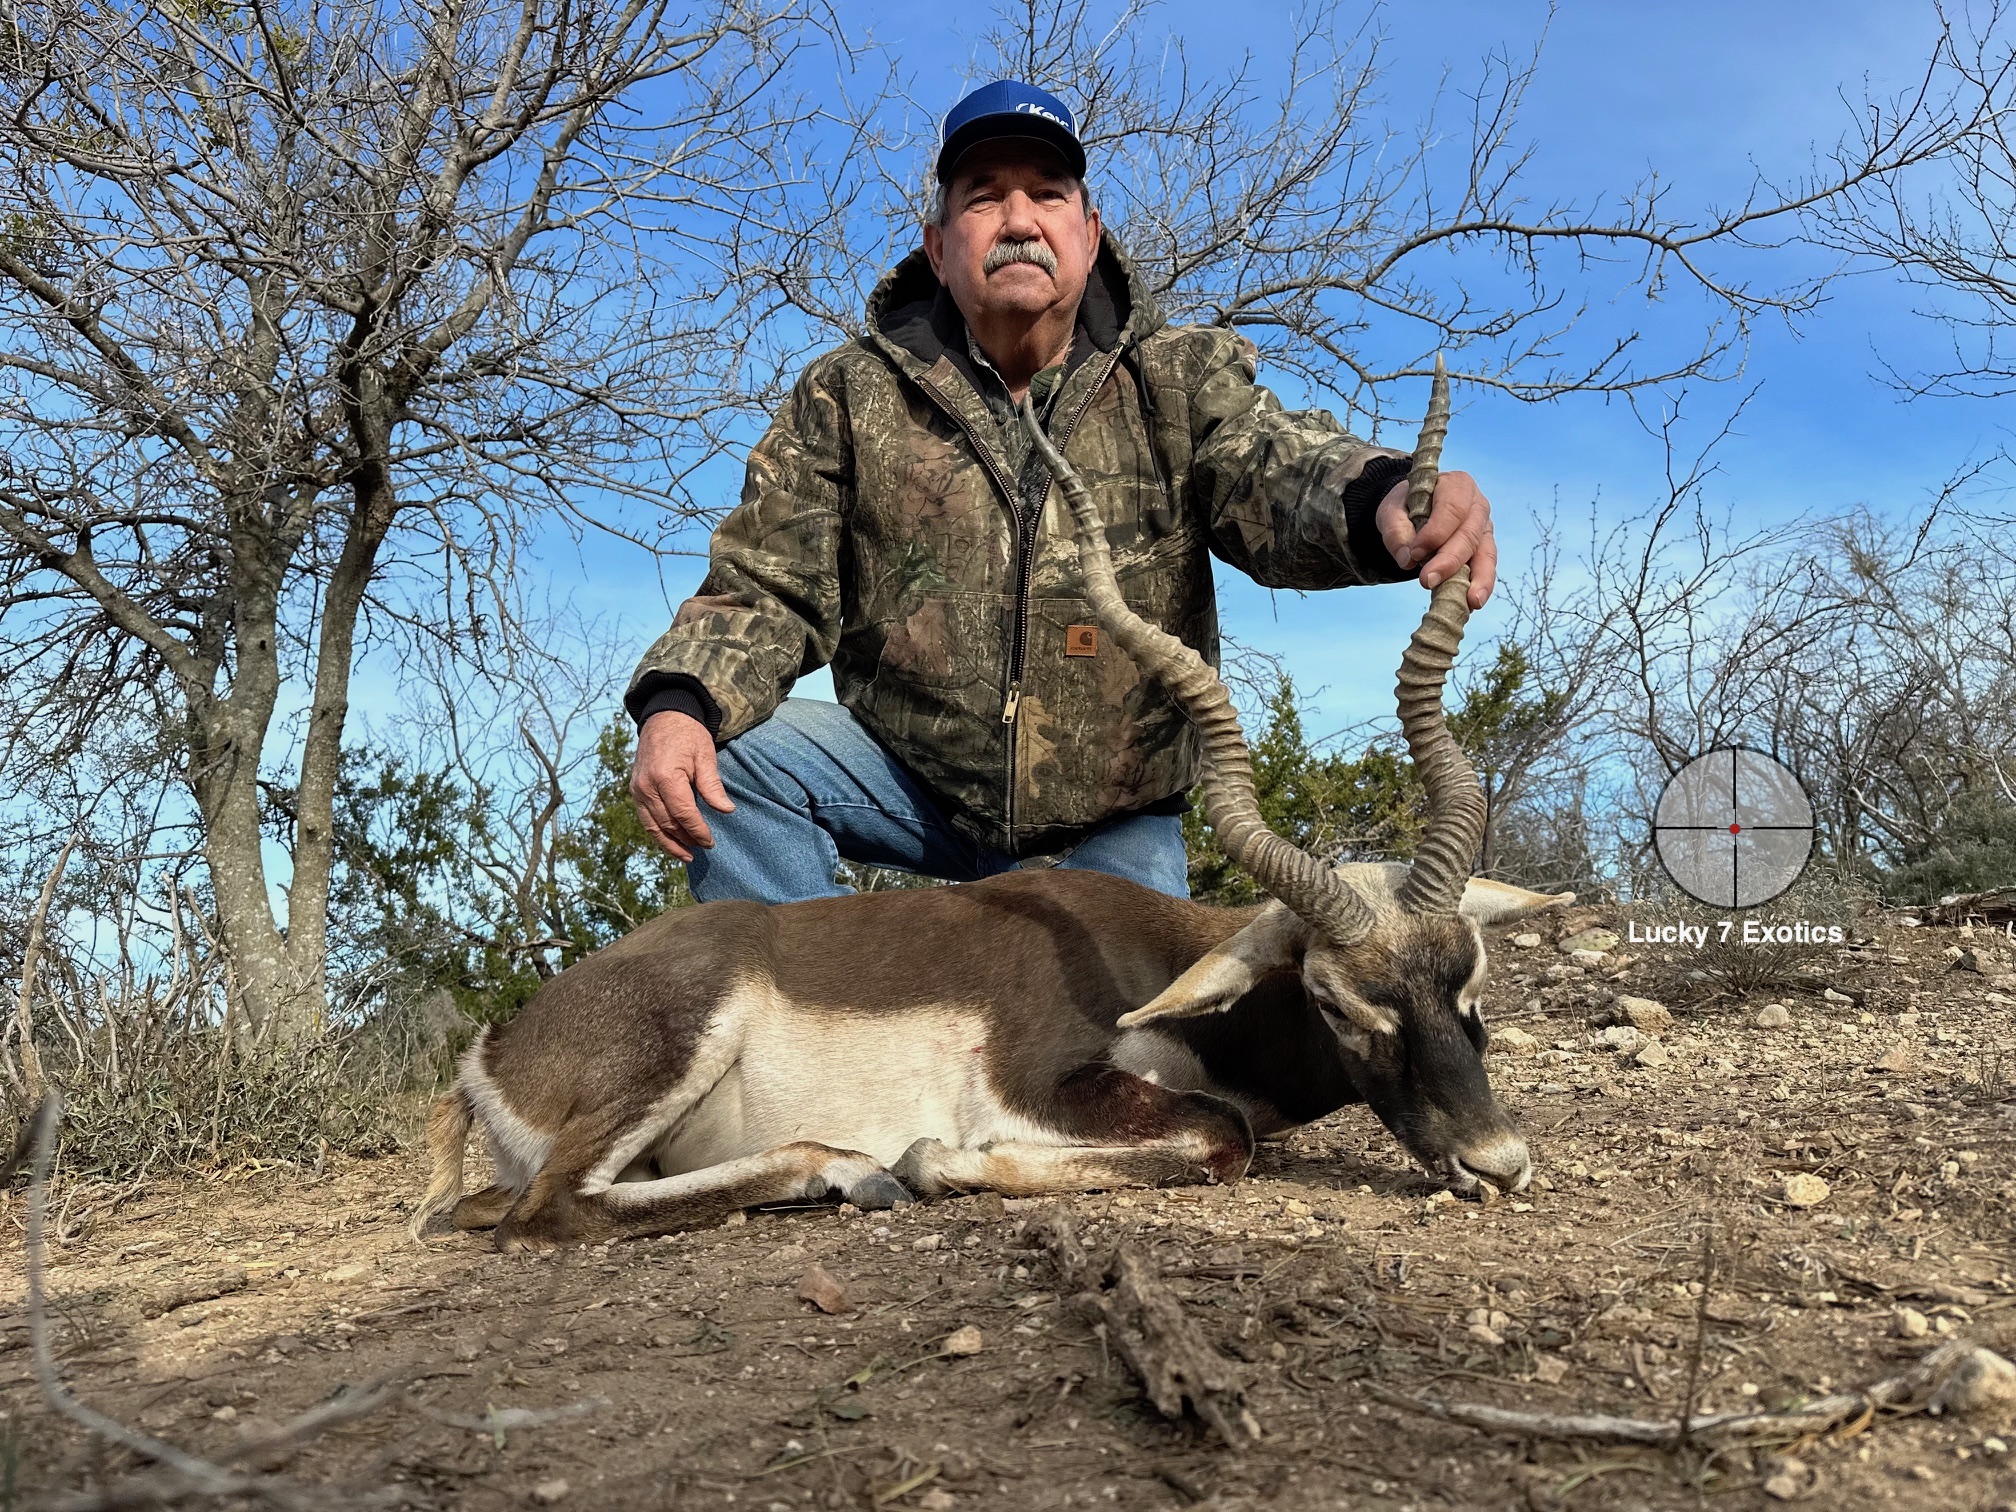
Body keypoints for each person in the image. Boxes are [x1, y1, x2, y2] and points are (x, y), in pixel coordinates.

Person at [626, 80, 1496, 905]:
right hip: (907, 782)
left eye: (1046, 194)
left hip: (1110, 823)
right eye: (982, 196)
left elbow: (1276, 467)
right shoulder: (845, 395)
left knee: (1129, 1052)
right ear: (937, 245)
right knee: (726, 760)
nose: (1018, 220)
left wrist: (1386, 500)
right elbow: (765, 585)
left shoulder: (1179, 378)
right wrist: (679, 703)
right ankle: (820, 1026)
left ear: (1089, 231)